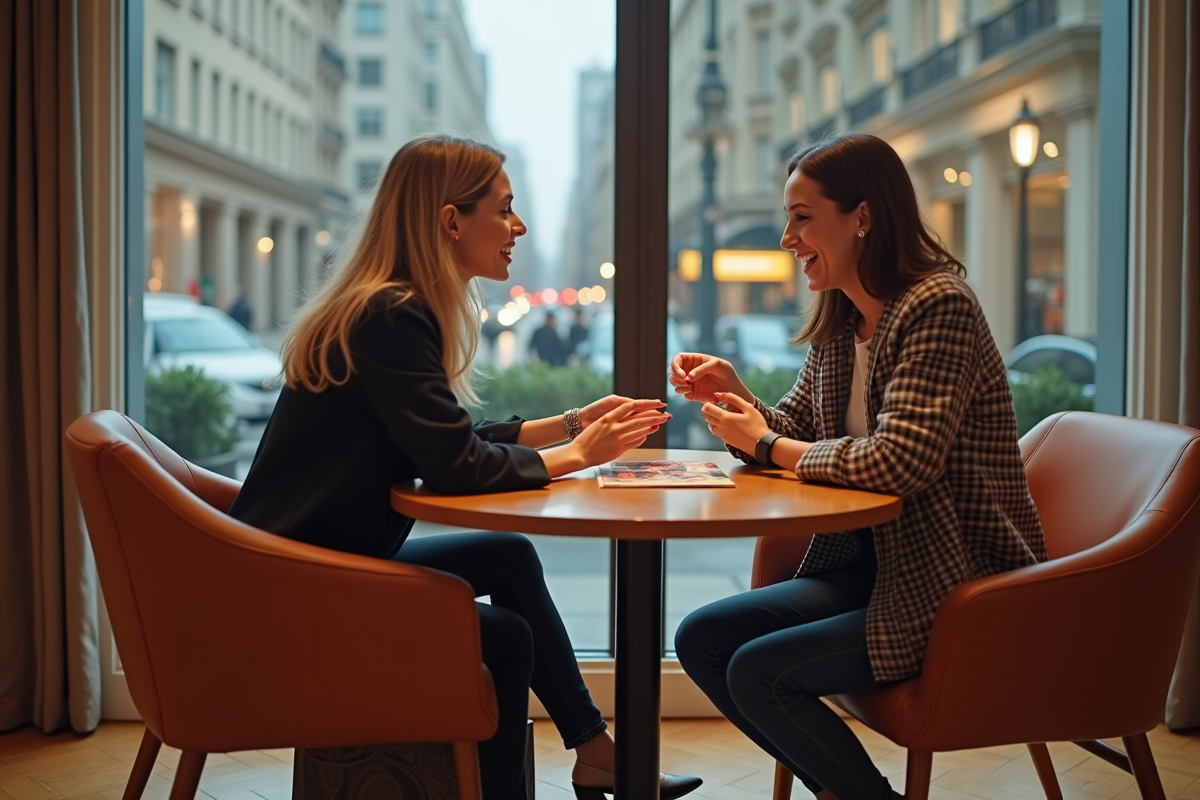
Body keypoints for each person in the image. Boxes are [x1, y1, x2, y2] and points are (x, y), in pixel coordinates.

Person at [228, 134, 701, 800]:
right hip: (306, 591)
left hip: (313, 566)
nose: (520, 226)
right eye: (505, 209)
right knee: (505, 636)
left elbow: (444, 437)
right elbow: (455, 464)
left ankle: (596, 752)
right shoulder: (389, 314)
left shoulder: (384, 305)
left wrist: (571, 424)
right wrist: (580, 455)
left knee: (508, 556)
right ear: (451, 221)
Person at [668, 134, 1047, 800]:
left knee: (758, 672)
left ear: (863, 218)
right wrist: (739, 398)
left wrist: (763, 443)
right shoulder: (847, 317)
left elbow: (900, 461)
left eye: (802, 216)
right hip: (872, 568)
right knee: (702, 640)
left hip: (955, 584)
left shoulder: (938, 306)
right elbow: (795, 433)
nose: (787, 237)